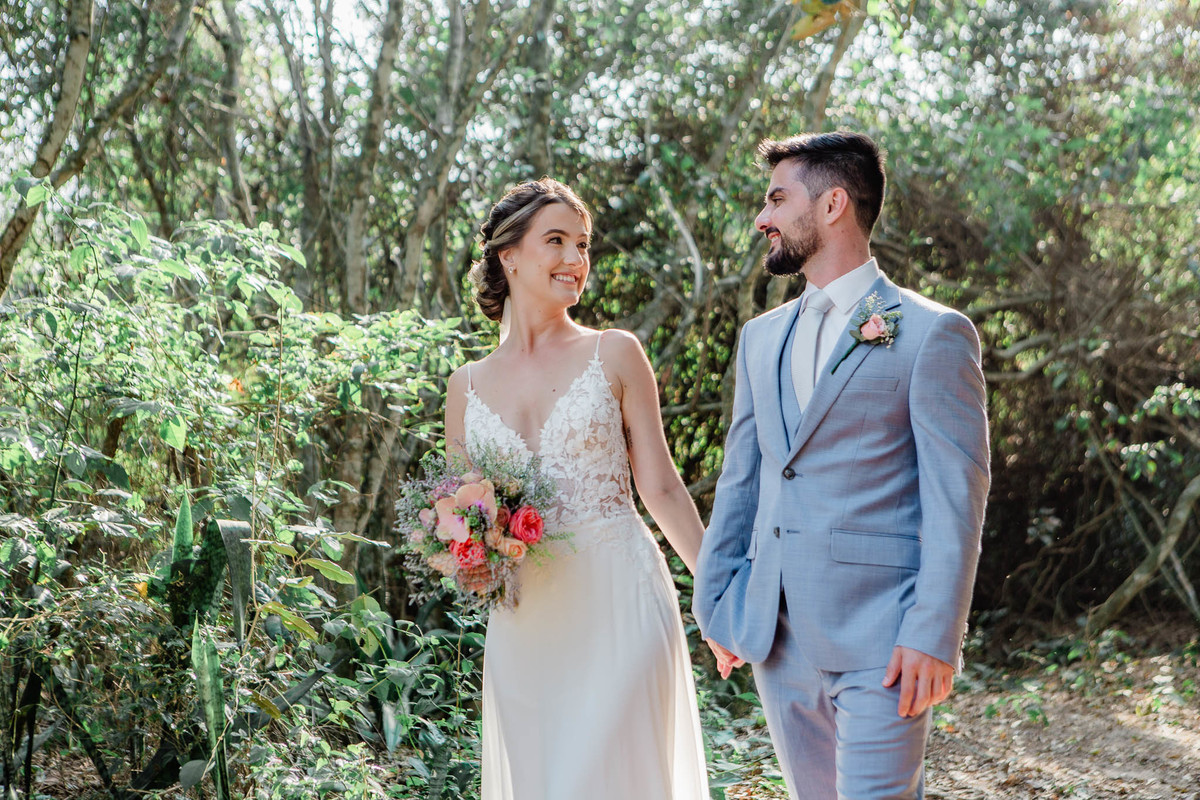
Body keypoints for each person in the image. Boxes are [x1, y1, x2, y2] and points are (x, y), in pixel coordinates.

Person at [694, 131, 990, 799]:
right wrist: (720, 605)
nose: (762, 218)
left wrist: (936, 634)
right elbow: (744, 481)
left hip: (885, 642)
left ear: (833, 204)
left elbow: (957, 497)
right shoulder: (760, 338)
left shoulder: (932, 333)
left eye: (776, 199)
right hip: (776, 641)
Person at [442, 178, 711, 800]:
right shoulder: (466, 386)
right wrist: (470, 561)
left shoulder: (615, 353)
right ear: (509, 256)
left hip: (620, 603)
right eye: (557, 241)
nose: (576, 260)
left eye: (583, 245)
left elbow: (663, 489)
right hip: (527, 620)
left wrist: (718, 597)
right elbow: (461, 513)